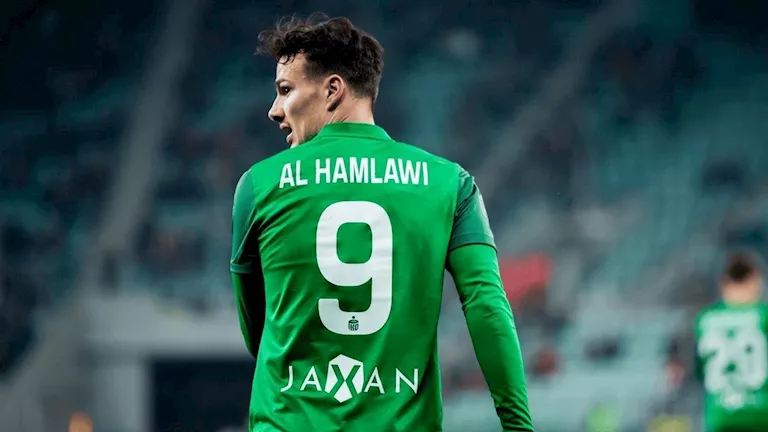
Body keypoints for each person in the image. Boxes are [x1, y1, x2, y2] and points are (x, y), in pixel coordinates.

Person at [230, 14, 532, 432]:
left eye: (285, 90)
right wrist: (518, 426)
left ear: (333, 90)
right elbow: (487, 307)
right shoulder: (451, 185)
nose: (274, 110)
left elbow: (258, 335)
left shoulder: (258, 186)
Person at [695, 251, 768, 431]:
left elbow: (698, 371)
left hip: (720, 415)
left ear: (723, 283)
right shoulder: (763, 317)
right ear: (755, 280)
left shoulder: (705, 320)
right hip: (760, 415)